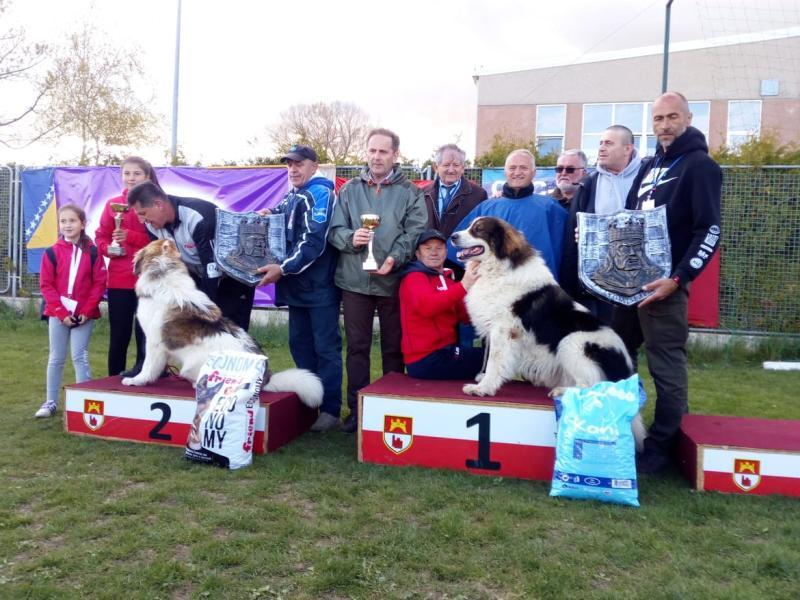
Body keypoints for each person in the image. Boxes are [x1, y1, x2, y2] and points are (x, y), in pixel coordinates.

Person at [613, 92, 722, 475]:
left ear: (688, 118)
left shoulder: (700, 166)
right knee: (617, 355)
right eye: (658, 118)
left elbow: (708, 229)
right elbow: (628, 219)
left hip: (665, 287)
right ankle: (622, 431)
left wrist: (678, 279)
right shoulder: (648, 166)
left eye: (672, 117)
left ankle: (665, 448)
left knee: (666, 367)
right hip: (629, 285)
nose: (664, 125)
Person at [328, 128, 428, 433]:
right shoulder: (348, 190)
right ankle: (357, 409)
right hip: (354, 281)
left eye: (383, 151)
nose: (376, 157)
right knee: (356, 347)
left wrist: (394, 258)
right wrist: (350, 237)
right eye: (372, 151)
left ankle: (392, 406)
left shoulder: (411, 192)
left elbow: (415, 232)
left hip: (393, 280)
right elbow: (334, 231)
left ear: (395, 155)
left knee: (393, 347)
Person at [255, 144, 343, 433]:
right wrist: (268, 214)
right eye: (289, 164)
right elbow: (279, 214)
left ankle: (330, 409)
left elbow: (313, 242)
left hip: (319, 288)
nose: (293, 169)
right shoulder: (293, 194)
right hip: (296, 288)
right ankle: (309, 404)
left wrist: (283, 268)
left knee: (325, 349)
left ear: (314, 166)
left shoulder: (321, 193)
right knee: (300, 345)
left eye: (299, 163)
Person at [127, 181, 256, 331]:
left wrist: (204, 308)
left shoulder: (198, 216)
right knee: (197, 337)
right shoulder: (151, 225)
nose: (141, 220)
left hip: (232, 278)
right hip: (199, 275)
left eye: (142, 213)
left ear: (158, 204)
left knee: (229, 334)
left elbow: (212, 268)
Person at [560, 126, 642, 323]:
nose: (602, 148)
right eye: (600, 143)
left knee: (632, 345)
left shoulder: (646, 178)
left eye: (609, 143)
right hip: (598, 283)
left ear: (627, 148)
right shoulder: (589, 184)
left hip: (639, 279)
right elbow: (572, 239)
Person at [449, 149, 568, 279]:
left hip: (537, 285)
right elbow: (458, 246)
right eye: (512, 168)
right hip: (495, 286)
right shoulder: (486, 208)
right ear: (505, 172)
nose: (517, 172)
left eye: (523, 168)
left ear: (534, 172)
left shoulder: (551, 208)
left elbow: (567, 253)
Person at [36, 204, 107, 418]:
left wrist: (86, 310)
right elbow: (46, 285)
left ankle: (84, 402)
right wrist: (60, 312)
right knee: (56, 357)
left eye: (72, 221)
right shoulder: (51, 252)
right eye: (63, 221)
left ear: (82, 224)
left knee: (79, 356)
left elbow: (99, 283)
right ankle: (50, 402)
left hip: (84, 314)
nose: (67, 225)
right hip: (59, 314)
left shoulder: (93, 252)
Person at [94, 156, 158, 377]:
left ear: (147, 176)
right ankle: (113, 377)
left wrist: (129, 236)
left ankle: (145, 372)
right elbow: (100, 236)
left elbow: (157, 240)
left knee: (146, 332)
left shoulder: (155, 204)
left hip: (148, 279)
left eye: (137, 173)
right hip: (119, 279)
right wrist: (107, 249)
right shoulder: (112, 204)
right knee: (119, 333)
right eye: (127, 173)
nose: (131, 178)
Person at [399, 229, 483, 379]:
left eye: (439, 248)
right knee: (489, 361)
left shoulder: (449, 281)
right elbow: (428, 307)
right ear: (417, 254)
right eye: (427, 248)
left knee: (495, 353)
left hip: (447, 352)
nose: (434, 252)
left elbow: (466, 316)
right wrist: (464, 285)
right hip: (425, 358)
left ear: (446, 252)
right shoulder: (413, 278)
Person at [422, 144, 487, 240]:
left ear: (463, 168)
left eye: (456, 165)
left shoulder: (479, 195)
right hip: (430, 252)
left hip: (461, 253)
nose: (451, 170)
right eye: (446, 165)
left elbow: (483, 230)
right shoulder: (422, 193)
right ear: (436, 167)